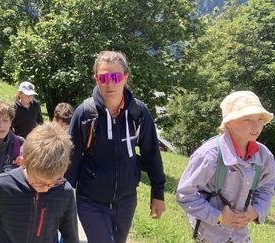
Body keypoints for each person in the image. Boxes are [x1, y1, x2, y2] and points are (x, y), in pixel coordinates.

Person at [65, 51, 166, 243]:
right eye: (103, 77)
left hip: (126, 200)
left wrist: (158, 193)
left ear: (125, 78)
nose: (109, 83)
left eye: (115, 77)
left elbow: (152, 154)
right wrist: (62, 198)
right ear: (96, 79)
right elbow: (71, 159)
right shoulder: (85, 113)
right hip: (90, 200)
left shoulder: (139, 113)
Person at [176, 91, 275, 243]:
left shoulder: (263, 156)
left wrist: (256, 211)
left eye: (260, 119)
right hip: (209, 234)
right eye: (247, 119)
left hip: (240, 235)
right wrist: (219, 216)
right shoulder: (209, 155)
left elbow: (266, 188)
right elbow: (185, 194)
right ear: (229, 122)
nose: (256, 126)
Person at [0, 124, 79, 243]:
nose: (45, 189)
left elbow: (71, 236)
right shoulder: (1, 186)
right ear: (23, 162)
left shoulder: (64, 191)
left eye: (52, 183)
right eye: (38, 182)